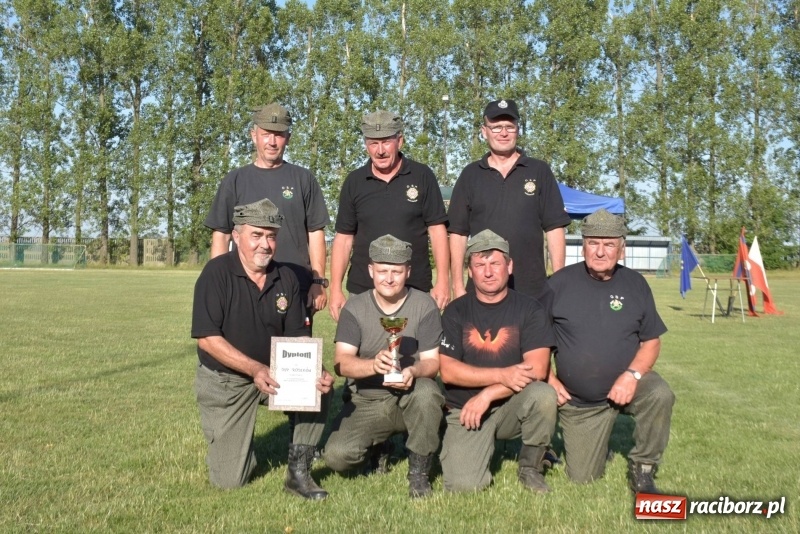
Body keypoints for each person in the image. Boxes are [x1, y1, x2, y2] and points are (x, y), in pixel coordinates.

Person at [191, 198, 334, 499]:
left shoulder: (287, 278)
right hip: (227, 379)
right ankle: (238, 446)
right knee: (230, 480)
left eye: (271, 236)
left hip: (275, 372)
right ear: (236, 235)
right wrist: (255, 368)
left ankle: (299, 471)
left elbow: (298, 336)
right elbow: (207, 339)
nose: (265, 244)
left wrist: (314, 368)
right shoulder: (215, 274)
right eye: (256, 235)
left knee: (319, 387)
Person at [546, 209, 674, 493]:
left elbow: (651, 340)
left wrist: (632, 375)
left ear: (622, 249)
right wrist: (549, 379)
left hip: (627, 385)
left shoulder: (636, 284)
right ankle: (595, 444)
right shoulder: (558, 284)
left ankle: (643, 467)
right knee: (582, 477)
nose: (600, 251)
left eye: (609, 244)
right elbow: (535, 341)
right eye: (593, 243)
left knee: (660, 393)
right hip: (580, 402)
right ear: (583, 246)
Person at [323, 235, 445, 498]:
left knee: (427, 393)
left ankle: (419, 470)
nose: (389, 278)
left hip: (411, 396)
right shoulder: (354, 308)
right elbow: (341, 363)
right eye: (382, 271)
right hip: (368, 400)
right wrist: (373, 365)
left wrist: (413, 371)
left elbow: (433, 362)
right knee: (337, 457)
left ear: (408, 272)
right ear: (370, 271)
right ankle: (380, 445)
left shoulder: (424, 305)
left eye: (396, 271)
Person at [438, 229, 557, 493]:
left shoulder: (530, 309)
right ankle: (457, 442)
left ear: (509, 266)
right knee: (464, 486)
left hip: (511, 404)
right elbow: (447, 371)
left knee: (542, 394)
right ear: (470, 270)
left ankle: (531, 467)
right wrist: (502, 375)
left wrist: (489, 394)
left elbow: (537, 369)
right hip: (464, 407)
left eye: (495, 263)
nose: (488, 272)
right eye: (480, 265)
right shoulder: (456, 311)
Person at [204, 103, 330, 325]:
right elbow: (221, 236)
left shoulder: (303, 179)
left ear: (288, 138)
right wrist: (218, 281)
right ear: (254, 135)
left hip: (297, 286)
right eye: (266, 134)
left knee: (295, 356)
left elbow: (316, 233)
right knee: (246, 354)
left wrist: (317, 281)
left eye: (279, 135)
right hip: (244, 287)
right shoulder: (234, 181)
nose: (272, 142)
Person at [448, 99, 571, 309]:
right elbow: (458, 233)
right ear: (484, 131)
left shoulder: (539, 171)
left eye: (509, 127)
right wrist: (458, 286)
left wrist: (559, 281)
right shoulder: (470, 175)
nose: (503, 133)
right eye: (496, 127)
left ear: (518, 130)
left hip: (533, 291)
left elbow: (554, 228)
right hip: (481, 290)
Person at [329, 110, 450, 321]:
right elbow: (344, 239)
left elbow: (437, 231)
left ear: (399, 141)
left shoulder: (423, 176)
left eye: (386, 142)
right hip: (364, 290)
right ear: (366, 144)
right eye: (373, 143)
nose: (380, 151)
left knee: (419, 354)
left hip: (415, 288)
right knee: (360, 353)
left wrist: (443, 281)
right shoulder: (354, 182)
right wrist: (336, 288)